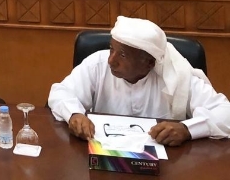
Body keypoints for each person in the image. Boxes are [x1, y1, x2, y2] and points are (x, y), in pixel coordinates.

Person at [48, 16, 230, 146]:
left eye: (123, 55)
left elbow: (225, 112)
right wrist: (74, 114)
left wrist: (186, 129)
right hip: (104, 156)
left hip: (166, 165)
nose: (111, 60)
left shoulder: (177, 75)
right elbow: (60, 92)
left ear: (149, 63)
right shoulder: (97, 64)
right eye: (111, 49)